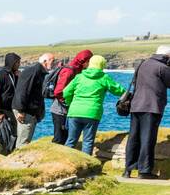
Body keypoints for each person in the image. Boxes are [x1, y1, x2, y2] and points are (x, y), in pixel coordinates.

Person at [62, 54, 126, 155]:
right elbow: (119, 90)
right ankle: (86, 167)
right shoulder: (104, 78)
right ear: (102, 65)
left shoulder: (79, 77)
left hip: (75, 111)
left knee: (71, 141)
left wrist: (71, 103)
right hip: (92, 113)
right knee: (88, 142)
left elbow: (66, 92)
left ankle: (64, 163)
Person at [124, 46, 170, 179]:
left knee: (133, 137)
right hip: (151, 106)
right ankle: (144, 171)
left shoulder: (143, 63)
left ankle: (128, 169)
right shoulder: (162, 67)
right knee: (147, 139)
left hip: (136, 105)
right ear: (167, 56)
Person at [12, 53, 54, 148]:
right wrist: (21, 110)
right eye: (52, 61)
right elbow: (22, 91)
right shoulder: (33, 72)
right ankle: (19, 160)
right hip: (25, 111)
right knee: (24, 141)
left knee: (24, 139)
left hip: (29, 111)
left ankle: (19, 158)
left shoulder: (38, 72)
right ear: (45, 62)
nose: (54, 63)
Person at [50, 50, 92, 144]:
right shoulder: (69, 71)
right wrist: (67, 102)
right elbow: (58, 91)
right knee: (59, 139)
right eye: (89, 62)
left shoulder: (78, 70)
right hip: (60, 110)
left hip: (67, 110)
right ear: (84, 61)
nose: (90, 64)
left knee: (66, 138)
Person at [0, 53, 21, 155]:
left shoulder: (15, 74)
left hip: (11, 109)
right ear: (11, 63)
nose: (19, 64)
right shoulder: (0, 75)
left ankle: (9, 154)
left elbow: (17, 90)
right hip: (1, 109)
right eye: (17, 62)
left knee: (12, 133)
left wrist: (20, 78)